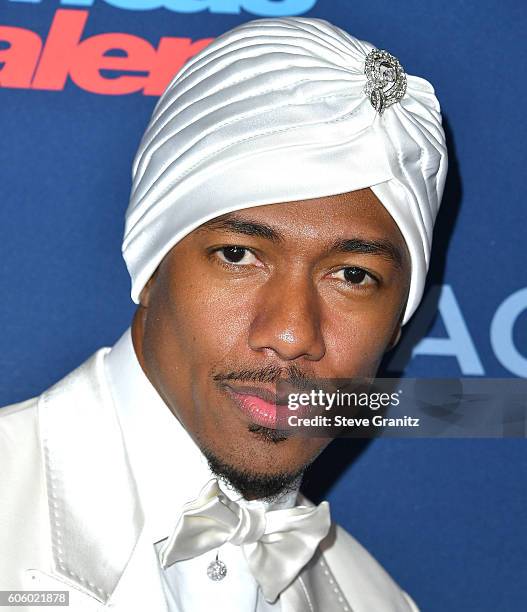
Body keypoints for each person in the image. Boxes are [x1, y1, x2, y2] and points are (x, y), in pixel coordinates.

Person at [0, 16, 447, 612]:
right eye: (239, 255)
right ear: (150, 258)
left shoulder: (377, 601)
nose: (290, 333)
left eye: (352, 276)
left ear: (398, 324)